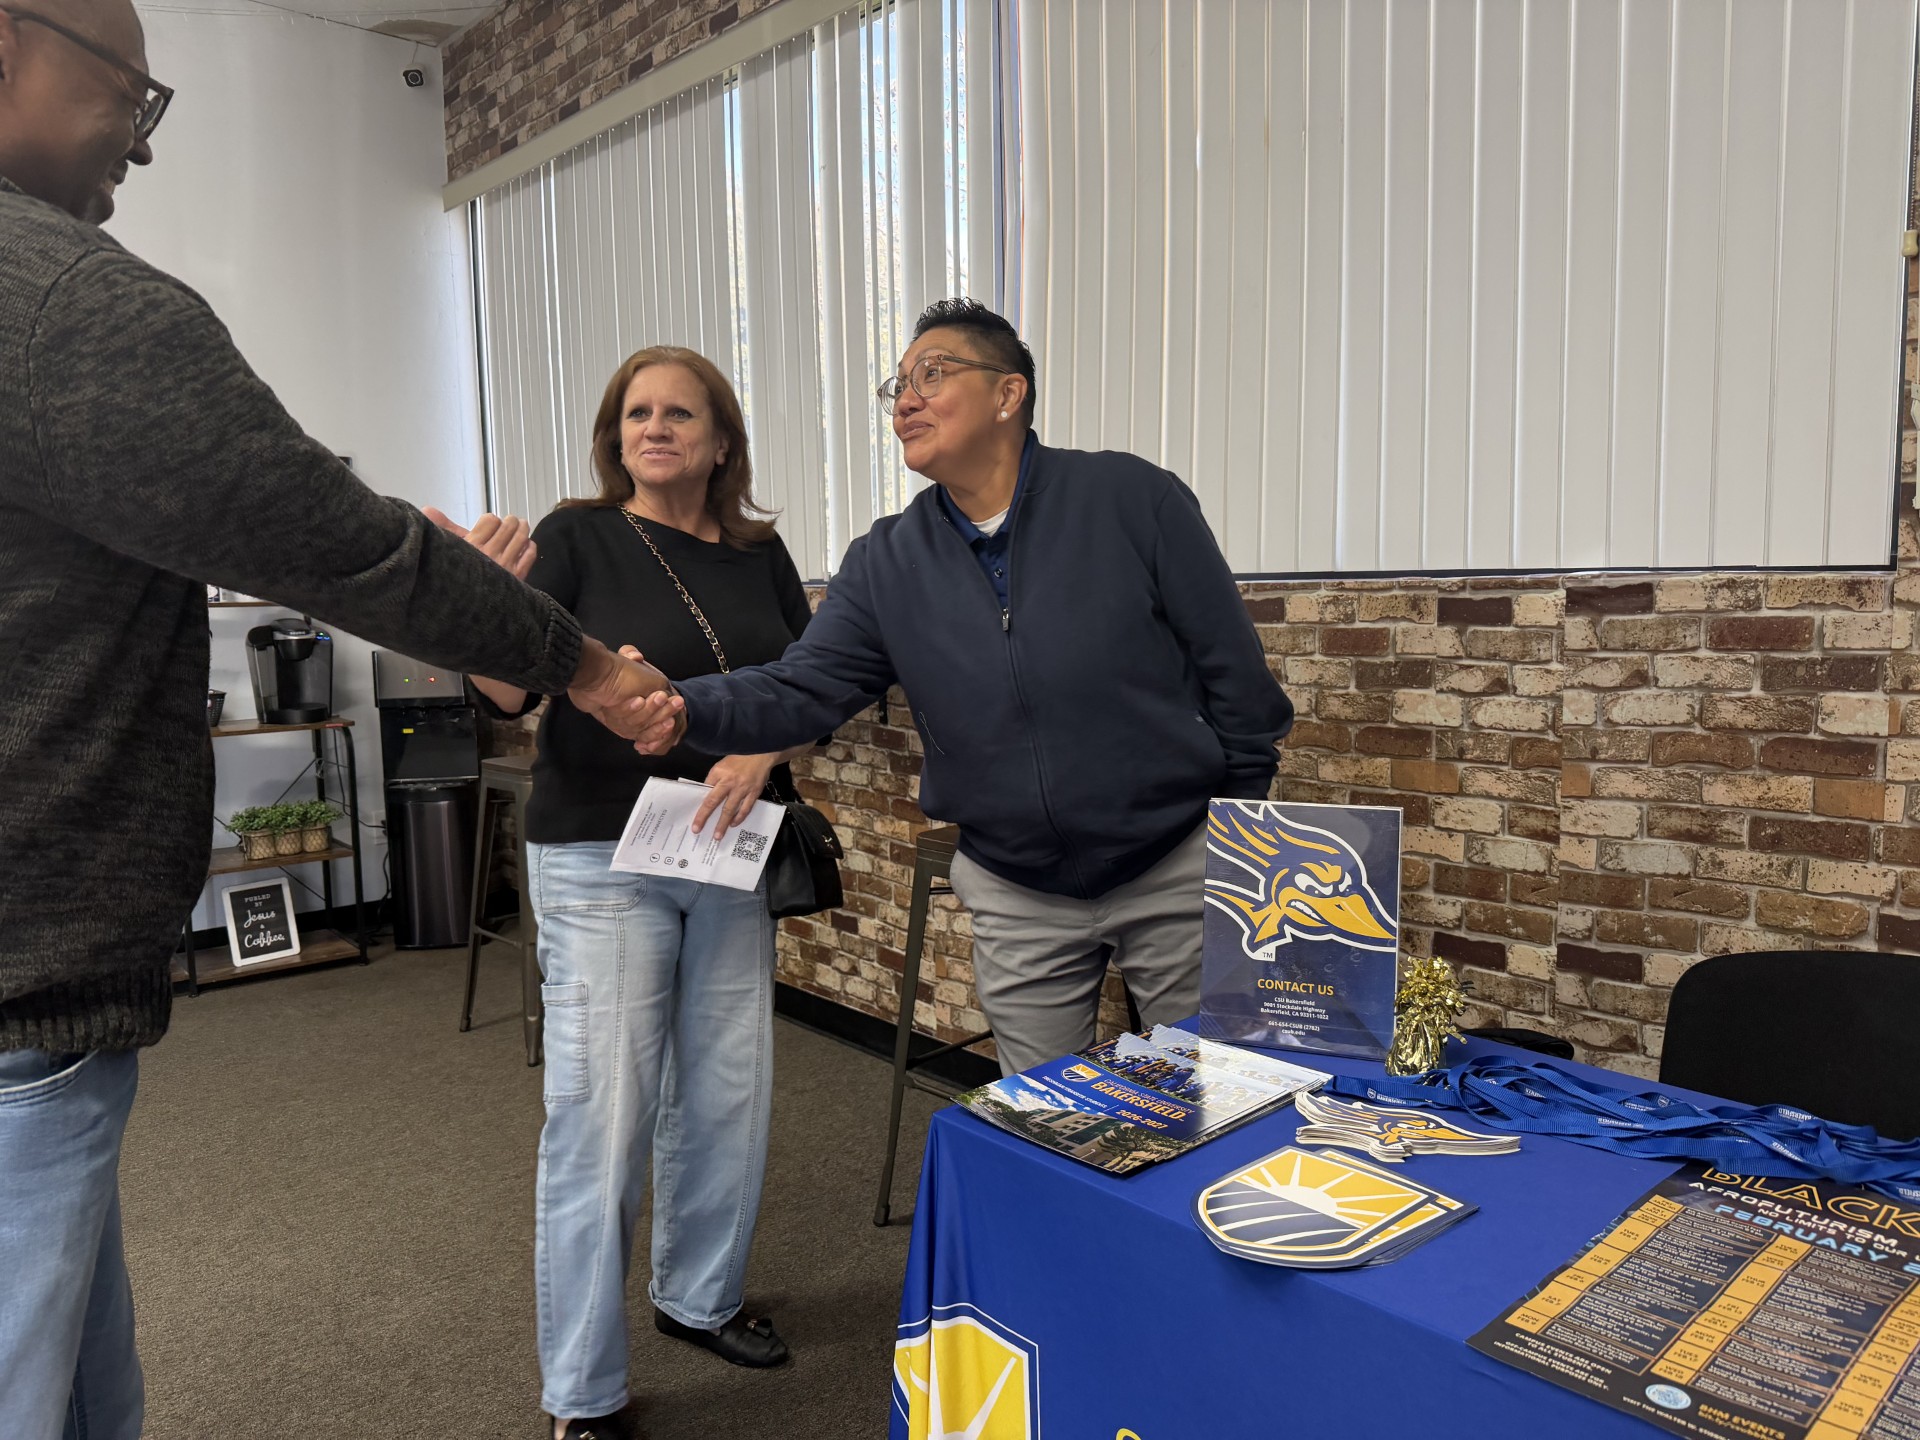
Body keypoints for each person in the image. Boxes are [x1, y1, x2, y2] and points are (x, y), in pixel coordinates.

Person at [0, 6, 671, 1437]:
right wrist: (587, 668)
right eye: (130, 94)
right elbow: (343, 545)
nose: (140, 141)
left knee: (78, 1373)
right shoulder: (63, 301)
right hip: (22, 987)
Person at [631, 298, 1294, 1076]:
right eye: (898, 386)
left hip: (1176, 860)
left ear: (1008, 394)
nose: (905, 402)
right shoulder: (885, 560)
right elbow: (802, 688)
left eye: (932, 375)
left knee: (1218, 1097)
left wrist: (1234, 835)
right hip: (1016, 889)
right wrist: (677, 703)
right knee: (1047, 1119)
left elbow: (1235, 677)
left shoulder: (1131, 499)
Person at [460, 347, 814, 1440]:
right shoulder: (576, 538)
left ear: (721, 441)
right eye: (636, 414)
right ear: (616, 438)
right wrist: (481, 606)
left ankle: (697, 1297)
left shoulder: (759, 555)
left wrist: (764, 751)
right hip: (602, 857)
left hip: (727, 849)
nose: (654, 428)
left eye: (679, 413)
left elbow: (810, 686)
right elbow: (505, 692)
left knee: (726, 1095)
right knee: (603, 1117)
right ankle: (583, 1391)